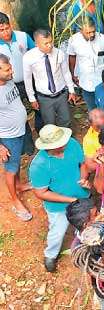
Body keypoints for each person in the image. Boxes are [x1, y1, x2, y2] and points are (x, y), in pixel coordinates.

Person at [29, 125, 91, 272]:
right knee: (58, 231)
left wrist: (83, 178)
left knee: (87, 223)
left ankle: (87, 246)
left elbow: (82, 164)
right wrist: (70, 200)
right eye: (60, 143)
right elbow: (41, 193)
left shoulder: (72, 144)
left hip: (81, 195)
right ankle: (51, 255)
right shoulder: (39, 165)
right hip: (58, 207)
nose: (65, 143)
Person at [23, 29, 77, 127]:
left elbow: (66, 72)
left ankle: (67, 140)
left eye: (51, 41)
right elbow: (27, 79)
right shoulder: (28, 57)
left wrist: (71, 90)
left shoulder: (59, 53)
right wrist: (32, 98)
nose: (50, 45)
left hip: (61, 94)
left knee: (65, 120)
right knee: (49, 123)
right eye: (46, 43)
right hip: (44, 98)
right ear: (36, 44)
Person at [0, 54, 32, 221]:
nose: (12, 71)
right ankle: (15, 200)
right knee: (11, 170)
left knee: (16, 163)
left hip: (19, 131)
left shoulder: (8, 81)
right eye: (7, 69)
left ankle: (19, 185)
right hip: (7, 137)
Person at [68, 16, 104, 111]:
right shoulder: (73, 40)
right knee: (92, 108)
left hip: (103, 81)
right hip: (85, 81)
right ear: (80, 30)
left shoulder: (103, 40)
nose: (91, 35)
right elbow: (72, 57)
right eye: (88, 32)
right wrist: (72, 74)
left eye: (93, 31)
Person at [0, 12, 35, 99]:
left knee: (38, 104)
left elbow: (36, 54)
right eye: (1, 30)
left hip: (31, 79)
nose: (5, 32)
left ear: (10, 25)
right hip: (10, 85)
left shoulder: (23, 36)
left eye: (7, 28)